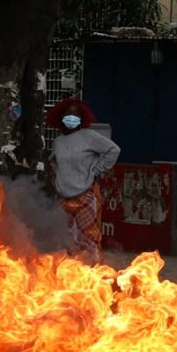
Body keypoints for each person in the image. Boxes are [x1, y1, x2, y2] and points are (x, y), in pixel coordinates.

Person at [44, 97, 120, 264]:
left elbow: (113, 150)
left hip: (86, 195)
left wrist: (97, 169)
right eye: (68, 114)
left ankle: (92, 274)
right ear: (61, 117)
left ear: (82, 118)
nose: (72, 118)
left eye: (75, 114)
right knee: (66, 242)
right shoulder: (58, 141)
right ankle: (69, 274)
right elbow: (53, 163)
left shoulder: (89, 136)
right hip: (63, 198)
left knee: (90, 240)